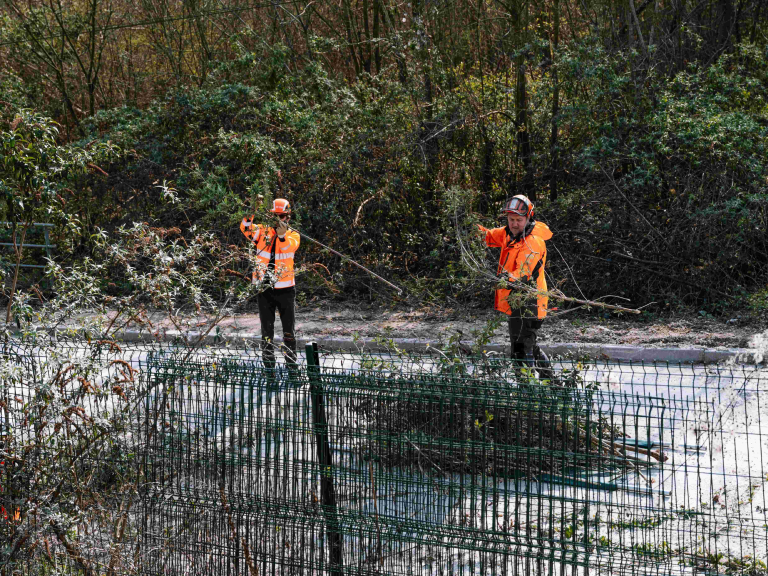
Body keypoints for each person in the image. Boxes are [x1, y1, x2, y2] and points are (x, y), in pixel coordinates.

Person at [479, 195, 553, 368]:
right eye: (511, 219)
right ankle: (553, 385)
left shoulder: (533, 241)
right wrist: (469, 227)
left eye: (519, 220)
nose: (514, 224)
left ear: (529, 218)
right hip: (517, 302)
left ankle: (526, 391)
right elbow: (488, 236)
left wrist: (505, 280)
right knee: (530, 347)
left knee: (520, 352)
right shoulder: (509, 233)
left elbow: (523, 272)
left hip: (531, 304)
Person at [240, 198, 301, 376]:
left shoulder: (293, 235)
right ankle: (269, 372)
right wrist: (252, 208)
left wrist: (282, 236)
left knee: (289, 332)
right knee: (267, 332)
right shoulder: (262, 232)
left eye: (282, 216)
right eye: (275, 216)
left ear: (288, 217)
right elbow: (245, 228)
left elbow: (289, 248)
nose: (279, 219)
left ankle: (292, 370)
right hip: (264, 290)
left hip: (285, 290)